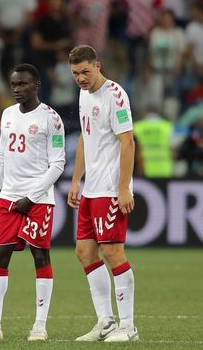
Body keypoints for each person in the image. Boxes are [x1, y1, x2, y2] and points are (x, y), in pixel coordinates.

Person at [0, 64, 65, 342]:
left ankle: (39, 326)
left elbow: (58, 163)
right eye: (13, 85)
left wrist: (32, 197)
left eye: (22, 84)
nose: (17, 90)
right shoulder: (8, 114)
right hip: (8, 198)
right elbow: (1, 155)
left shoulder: (51, 118)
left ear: (37, 85)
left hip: (38, 200)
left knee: (40, 256)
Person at [67, 45, 138, 342]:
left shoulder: (115, 95)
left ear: (98, 65)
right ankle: (106, 322)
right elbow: (86, 137)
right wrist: (75, 179)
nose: (81, 78)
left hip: (110, 189)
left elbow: (128, 142)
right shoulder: (84, 95)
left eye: (85, 71)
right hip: (91, 188)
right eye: (75, 74)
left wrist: (123, 187)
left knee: (112, 252)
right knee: (84, 252)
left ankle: (128, 326)